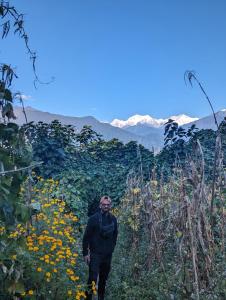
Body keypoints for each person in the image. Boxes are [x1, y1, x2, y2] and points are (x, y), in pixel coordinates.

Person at [82, 196, 118, 300]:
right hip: (95, 254)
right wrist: (85, 253)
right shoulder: (93, 219)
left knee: (103, 279)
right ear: (100, 205)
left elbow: (115, 235)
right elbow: (86, 237)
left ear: (110, 206)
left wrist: (111, 248)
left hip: (107, 255)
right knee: (92, 278)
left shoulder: (113, 219)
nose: (106, 206)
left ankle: (100, 297)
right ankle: (87, 297)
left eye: (108, 205)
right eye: (104, 204)